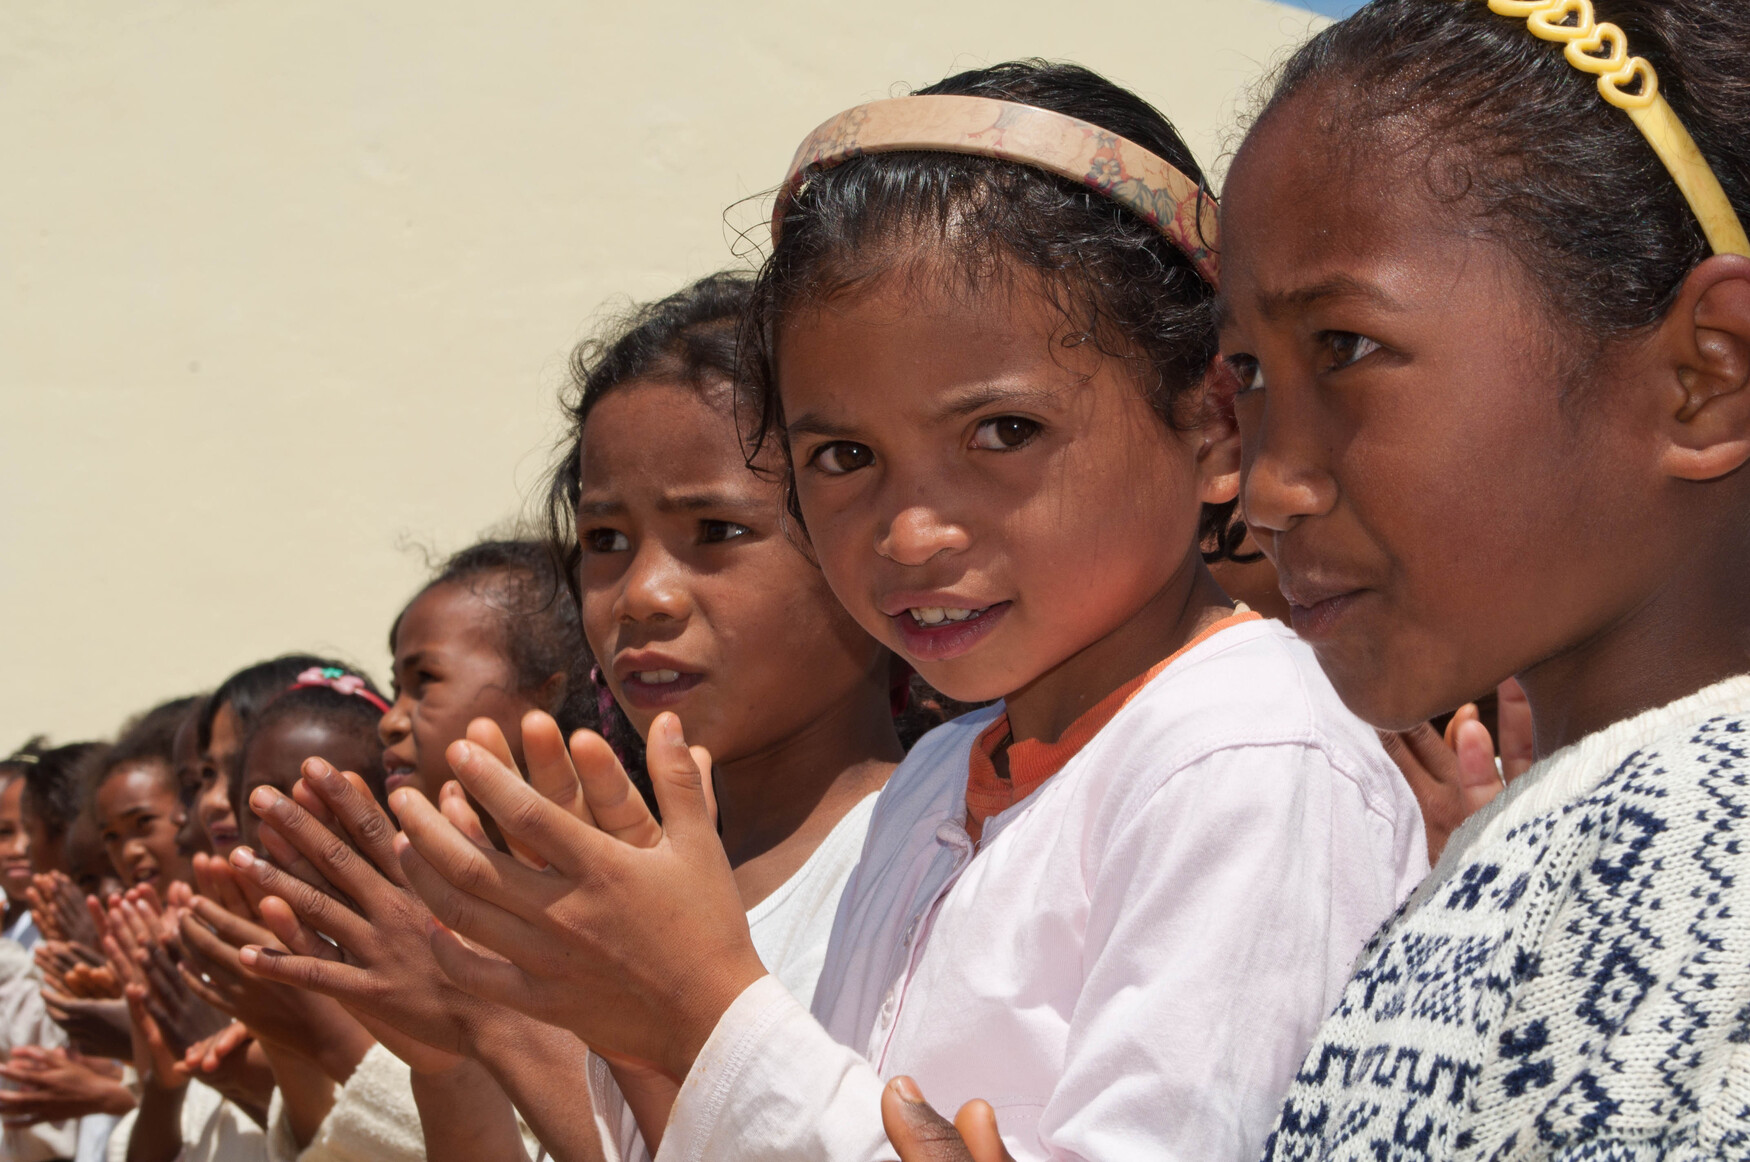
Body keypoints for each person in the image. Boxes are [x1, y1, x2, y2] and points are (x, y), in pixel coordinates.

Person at [386, 59, 1427, 1162]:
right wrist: (634, 1023)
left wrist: (703, 1012)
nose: (910, 533)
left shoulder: (1250, 754)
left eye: (1002, 433)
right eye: (844, 456)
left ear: (1213, 421)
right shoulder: (942, 778)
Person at [888, 1, 1750, 1158]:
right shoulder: (1533, 858)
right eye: (1245, 371)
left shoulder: (1688, 845)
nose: (1267, 485)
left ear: (1707, 374)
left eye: (1342, 349)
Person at [233, 272, 917, 1161]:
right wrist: (451, 1057)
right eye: (605, 542)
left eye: (716, 530)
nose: (643, 596)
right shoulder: (595, 879)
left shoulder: (932, 857)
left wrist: (498, 1018)